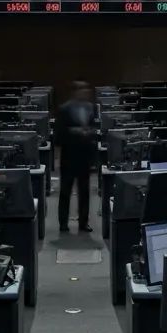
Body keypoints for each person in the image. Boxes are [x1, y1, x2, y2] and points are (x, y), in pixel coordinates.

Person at [55, 81, 97, 233]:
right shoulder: (64, 109)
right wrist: (76, 132)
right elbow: (59, 135)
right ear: (74, 92)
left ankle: (83, 223)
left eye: (86, 88)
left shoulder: (91, 108)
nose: (85, 91)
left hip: (84, 157)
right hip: (69, 156)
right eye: (82, 89)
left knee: (84, 192)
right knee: (65, 192)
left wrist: (89, 132)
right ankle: (63, 223)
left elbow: (94, 128)